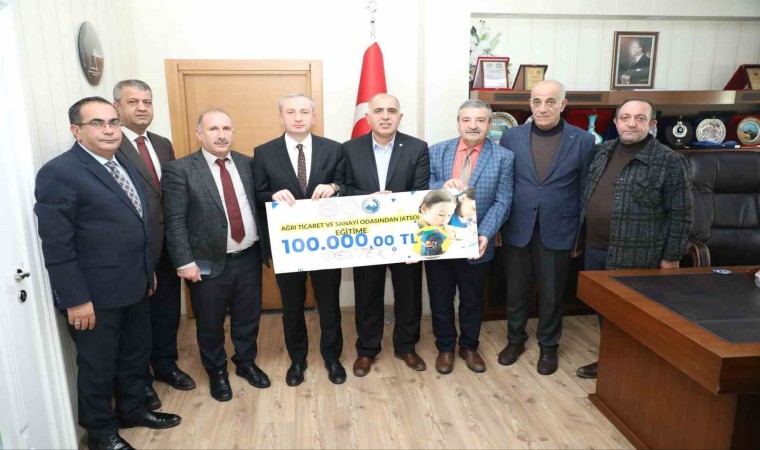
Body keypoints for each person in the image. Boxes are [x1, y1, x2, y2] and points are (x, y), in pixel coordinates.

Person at [34, 97, 181, 450]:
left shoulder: (122, 163)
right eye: (97, 123)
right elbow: (57, 244)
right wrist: (75, 299)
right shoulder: (60, 172)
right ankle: (100, 433)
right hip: (94, 296)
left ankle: (132, 410)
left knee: (134, 355)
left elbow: (138, 223)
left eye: (113, 122)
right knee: (98, 367)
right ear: (76, 131)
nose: (109, 130)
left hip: (135, 284)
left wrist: (147, 271)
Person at [575, 98, 693, 379]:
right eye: (625, 117)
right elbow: (587, 195)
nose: (631, 123)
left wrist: (672, 257)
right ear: (616, 122)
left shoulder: (669, 161)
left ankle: (634, 368)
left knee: (633, 315)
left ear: (652, 124)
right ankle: (611, 359)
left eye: (640, 118)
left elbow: (682, 213)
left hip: (638, 254)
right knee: (604, 309)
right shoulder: (602, 151)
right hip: (596, 248)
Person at [163, 109, 270, 402]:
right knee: (210, 323)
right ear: (199, 134)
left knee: (248, 317)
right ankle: (217, 371)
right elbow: (174, 221)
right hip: (205, 262)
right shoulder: (180, 170)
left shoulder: (249, 164)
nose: (221, 135)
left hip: (248, 256)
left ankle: (246, 362)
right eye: (213, 129)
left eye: (226, 128)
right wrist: (184, 261)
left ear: (233, 132)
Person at [497, 80, 596, 376]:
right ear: (530, 104)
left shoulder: (583, 141)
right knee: (516, 290)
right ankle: (515, 340)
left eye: (550, 101)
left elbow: (585, 190)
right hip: (517, 227)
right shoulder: (511, 136)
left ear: (562, 105)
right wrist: (498, 225)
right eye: (537, 101)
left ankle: (549, 345)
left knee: (552, 293)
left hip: (559, 228)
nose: (543, 108)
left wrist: (580, 234)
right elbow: (504, 182)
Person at [252, 93, 347, 387]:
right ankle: (297, 359)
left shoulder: (334, 149)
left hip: (326, 244)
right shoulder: (264, 152)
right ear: (280, 117)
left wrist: (334, 187)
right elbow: (257, 193)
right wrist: (272, 195)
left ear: (313, 117)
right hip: (287, 246)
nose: (297, 117)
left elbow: (348, 184)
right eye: (291, 112)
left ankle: (332, 357)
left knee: (329, 303)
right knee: (291, 306)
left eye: (304, 112)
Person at [113, 79, 195, 412]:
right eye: (133, 102)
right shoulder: (111, 144)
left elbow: (171, 195)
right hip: (134, 252)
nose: (142, 108)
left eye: (147, 102)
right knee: (137, 322)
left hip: (166, 247)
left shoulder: (162, 144)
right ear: (117, 106)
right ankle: (141, 381)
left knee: (166, 312)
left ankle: (165, 365)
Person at [342, 93, 430, 376]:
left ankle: (406, 347)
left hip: (405, 234)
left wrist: (394, 205)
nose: (385, 116)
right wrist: (371, 198)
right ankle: (367, 350)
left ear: (399, 117)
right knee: (367, 293)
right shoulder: (349, 149)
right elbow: (344, 189)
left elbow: (421, 192)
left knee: (409, 293)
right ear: (368, 117)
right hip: (367, 234)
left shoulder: (417, 147)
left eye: (391, 111)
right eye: (378, 110)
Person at [427, 99, 514, 374]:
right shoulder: (436, 151)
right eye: (466, 119)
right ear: (458, 122)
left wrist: (485, 234)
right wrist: (441, 185)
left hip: (478, 243)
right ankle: (445, 347)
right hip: (439, 240)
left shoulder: (504, 157)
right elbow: (422, 187)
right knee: (440, 299)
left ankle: (469, 346)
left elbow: (503, 201)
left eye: (480, 120)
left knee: (472, 300)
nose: (473, 125)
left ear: (490, 124)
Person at [416, 189, 457, 257]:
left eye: (449, 215)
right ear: (424, 209)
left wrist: (452, 234)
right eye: (441, 214)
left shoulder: (446, 230)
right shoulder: (411, 229)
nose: (445, 220)